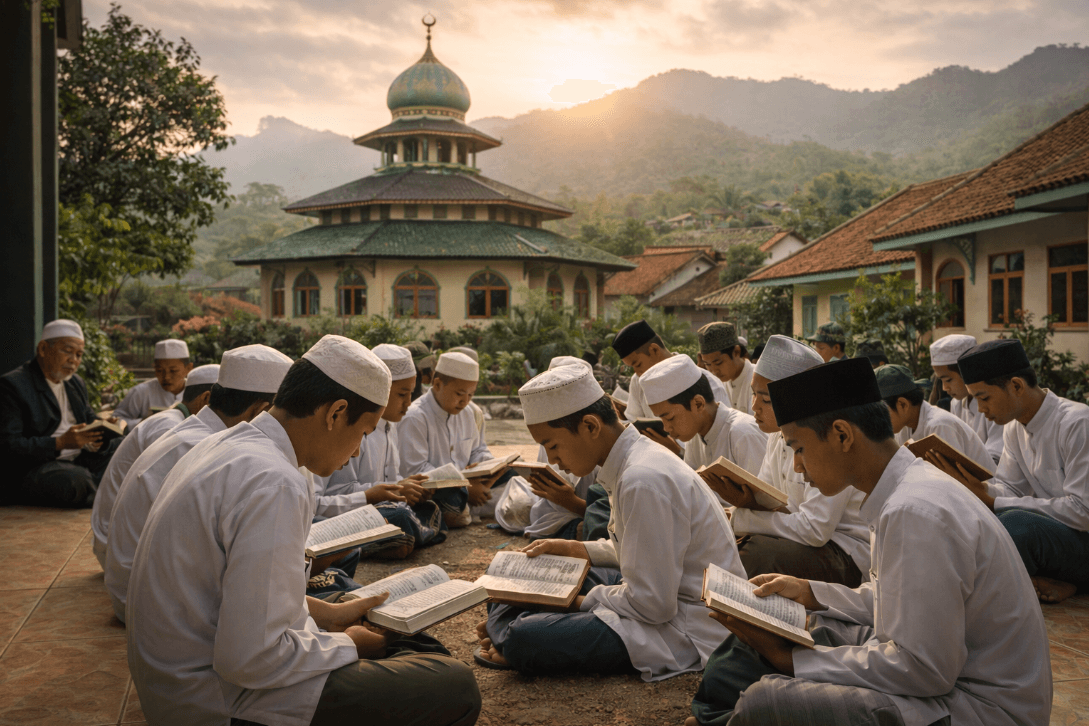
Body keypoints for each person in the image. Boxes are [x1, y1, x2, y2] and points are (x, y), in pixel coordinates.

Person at [127, 334, 481, 726]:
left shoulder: (225, 446)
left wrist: (329, 615)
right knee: (454, 685)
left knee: (412, 645)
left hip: (176, 685)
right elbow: (252, 661)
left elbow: (231, 593)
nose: (358, 451)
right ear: (335, 413)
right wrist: (347, 643)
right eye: (363, 433)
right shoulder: (274, 481)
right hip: (218, 701)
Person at [688, 356, 1052, 726]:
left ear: (843, 435)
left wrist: (792, 660)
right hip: (946, 677)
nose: (797, 467)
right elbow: (901, 600)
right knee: (793, 627)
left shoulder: (915, 511)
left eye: (798, 448)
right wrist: (809, 592)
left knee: (768, 700)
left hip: (978, 706)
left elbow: (924, 670)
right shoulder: (902, 488)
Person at [474, 364, 744, 680]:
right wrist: (577, 549)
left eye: (553, 445)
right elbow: (642, 552)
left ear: (590, 426)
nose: (552, 460)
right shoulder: (633, 461)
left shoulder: (642, 478)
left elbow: (654, 606)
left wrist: (575, 603)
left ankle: (511, 636)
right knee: (510, 587)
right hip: (653, 593)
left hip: (681, 624)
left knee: (525, 636)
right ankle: (509, 630)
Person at [105, 345, 292, 622]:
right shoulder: (201, 445)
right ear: (260, 411)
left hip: (139, 587)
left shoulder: (194, 433)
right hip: (147, 599)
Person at [931, 339, 1089, 605]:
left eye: (984, 397)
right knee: (969, 518)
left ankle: (978, 607)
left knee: (1015, 524)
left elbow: (1083, 511)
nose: (980, 409)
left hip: (1083, 539)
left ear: (1016, 386)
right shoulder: (1014, 428)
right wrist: (972, 489)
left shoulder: (1077, 423)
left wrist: (994, 500)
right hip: (1061, 543)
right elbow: (1010, 488)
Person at [711, 335, 869, 585]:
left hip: (845, 551)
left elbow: (815, 530)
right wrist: (745, 503)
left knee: (753, 555)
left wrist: (742, 519)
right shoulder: (777, 435)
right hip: (804, 541)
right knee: (729, 543)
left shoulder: (827, 439)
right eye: (753, 395)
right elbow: (771, 499)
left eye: (765, 399)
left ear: (797, 398)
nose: (754, 407)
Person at [316, 344, 445, 559]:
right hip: (354, 512)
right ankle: (390, 540)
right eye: (402, 394)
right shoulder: (352, 427)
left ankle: (396, 538)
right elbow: (335, 492)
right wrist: (375, 494)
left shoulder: (391, 425)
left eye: (411, 394)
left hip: (378, 507)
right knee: (400, 516)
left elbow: (389, 484)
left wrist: (406, 488)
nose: (408, 403)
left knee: (429, 506)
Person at [90, 363, 219, 569]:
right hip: (125, 556)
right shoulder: (172, 429)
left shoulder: (173, 421)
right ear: (206, 399)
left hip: (122, 544)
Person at [0, 319, 121, 508]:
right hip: (37, 467)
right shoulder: (13, 386)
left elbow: (89, 419)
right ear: (42, 349)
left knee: (123, 446)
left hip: (79, 458)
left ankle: (99, 488)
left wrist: (105, 429)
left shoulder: (75, 383)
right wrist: (60, 443)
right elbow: (8, 447)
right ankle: (109, 490)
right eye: (67, 351)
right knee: (74, 481)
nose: (74, 360)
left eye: (79, 354)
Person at [399, 351, 506, 528]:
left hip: (469, 484)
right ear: (438, 384)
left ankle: (468, 505)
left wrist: (487, 467)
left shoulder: (469, 412)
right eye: (460, 394)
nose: (465, 401)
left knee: (513, 479)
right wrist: (464, 486)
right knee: (454, 499)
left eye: (470, 395)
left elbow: (477, 449)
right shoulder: (415, 417)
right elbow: (416, 470)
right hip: (437, 492)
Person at [639, 354, 767, 489]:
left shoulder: (743, 434)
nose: (666, 428)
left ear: (698, 404)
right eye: (661, 419)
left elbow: (766, 503)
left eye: (670, 418)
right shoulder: (695, 437)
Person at [877, 364, 992, 472]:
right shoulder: (902, 428)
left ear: (903, 405)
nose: (877, 420)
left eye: (880, 413)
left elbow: (954, 483)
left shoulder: (939, 425)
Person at [611, 319, 728, 423]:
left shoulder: (708, 384)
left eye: (638, 364)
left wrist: (676, 448)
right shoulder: (638, 381)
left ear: (654, 350)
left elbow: (719, 436)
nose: (636, 372)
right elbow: (634, 421)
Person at [929, 334, 1004, 464]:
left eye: (948, 380)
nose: (945, 388)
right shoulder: (956, 404)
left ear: (966, 372)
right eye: (941, 381)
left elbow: (996, 457)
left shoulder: (994, 402)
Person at [112, 339, 193, 428]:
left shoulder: (196, 393)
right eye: (159, 370)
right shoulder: (141, 391)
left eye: (173, 371)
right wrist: (145, 422)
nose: (166, 377)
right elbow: (117, 418)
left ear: (188, 368)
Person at [697, 322, 755, 416]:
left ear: (736, 352)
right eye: (707, 364)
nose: (714, 371)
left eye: (718, 363)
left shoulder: (758, 379)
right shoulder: (717, 385)